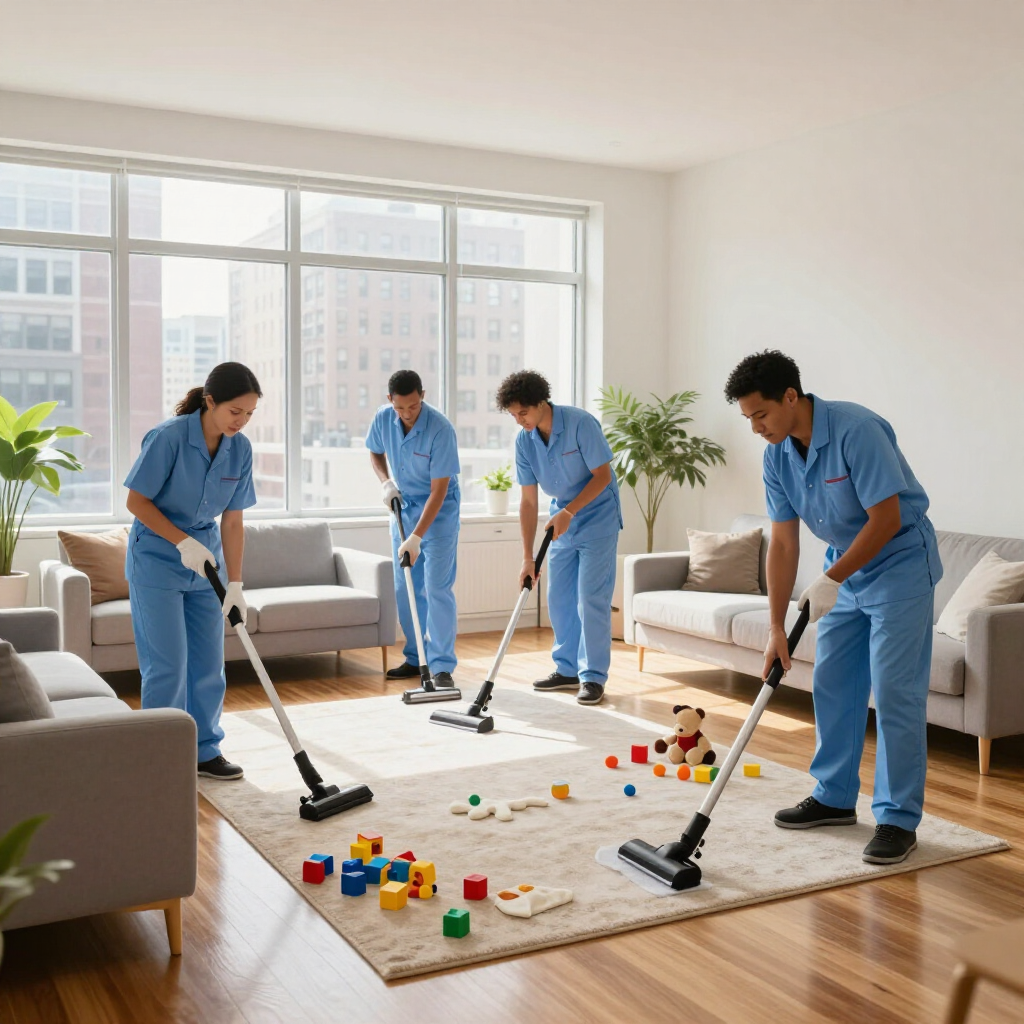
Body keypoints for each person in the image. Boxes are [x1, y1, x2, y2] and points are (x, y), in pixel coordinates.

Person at [724, 350, 942, 864]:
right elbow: (782, 544)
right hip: (843, 569)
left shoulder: (857, 429)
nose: (755, 428)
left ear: (791, 397)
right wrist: (776, 626)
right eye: (747, 418)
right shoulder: (777, 454)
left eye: (761, 414)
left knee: (894, 693)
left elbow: (885, 519)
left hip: (900, 564)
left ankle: (896, 819)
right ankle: (834, 797)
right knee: (834, 683)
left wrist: (830, 580)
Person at [124, 362, 261, 780]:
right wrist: (180, 541)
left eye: (250, 414)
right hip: (158, 560)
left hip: (206, 565)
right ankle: (161, 754)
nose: (241, 421)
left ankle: (205, 751)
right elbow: (137, 502)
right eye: (235, 412)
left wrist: (235, 583)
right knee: (168, 665)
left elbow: (233, 521)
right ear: (210, 402)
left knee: (207, 665)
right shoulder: (169, 438)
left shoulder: (241, 450)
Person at [496, 370, 622, 706]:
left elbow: (602, 476)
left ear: (541, 403)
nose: (519, 420)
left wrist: (571, 511)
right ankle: (566, 669)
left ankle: (593, 676)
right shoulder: (525, 441)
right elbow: (527, 501)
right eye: (513, 415)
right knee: (560, 598)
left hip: (597, 518)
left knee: (590, 598)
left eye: (523, 412)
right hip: (561, 521)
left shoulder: (581, 424)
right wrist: (527, 557)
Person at [367, 370, 460, 685]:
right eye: (400, 408)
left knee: (436, 589)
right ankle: (416, 656)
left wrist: (417, 537)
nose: (407, 414)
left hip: (440, 511)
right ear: (389, 399)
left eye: (414, 406)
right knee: (405, 589)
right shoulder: (383, 418)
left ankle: (442, 666)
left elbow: (439, 491)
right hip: (403, 509)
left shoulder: (440, 429)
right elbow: (375, 452)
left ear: (423, 395)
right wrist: (386, 482)